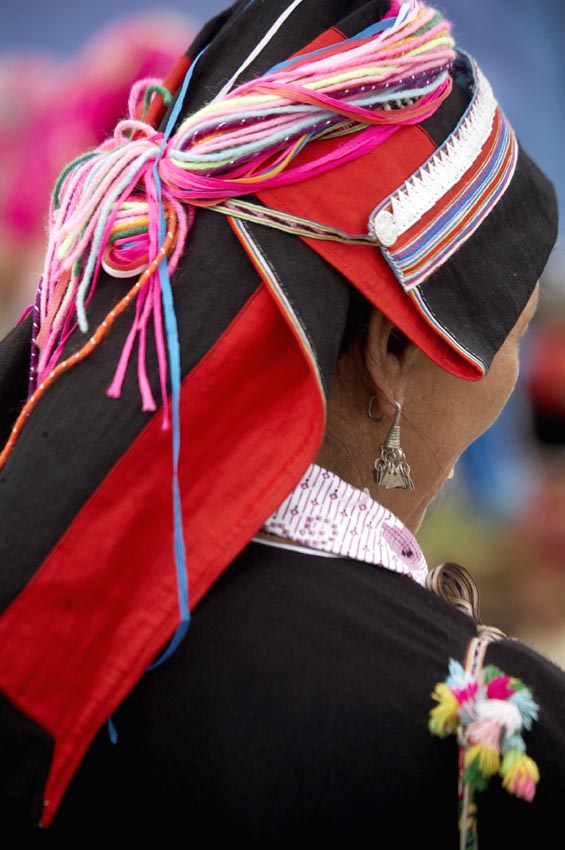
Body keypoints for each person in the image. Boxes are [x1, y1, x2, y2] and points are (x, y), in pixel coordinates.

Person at [0, 1, 563, 846]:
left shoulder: (50, 612)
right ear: (390, 350)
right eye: (512, 336)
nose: (511, 376)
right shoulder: (484, 727)